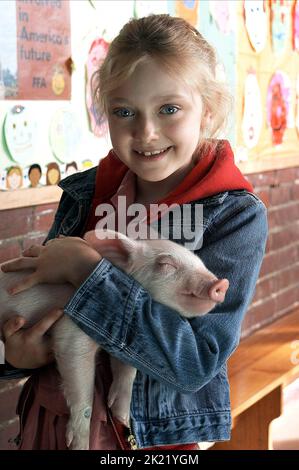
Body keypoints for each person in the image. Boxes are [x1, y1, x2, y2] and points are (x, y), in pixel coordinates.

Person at [0, 14, 268, 450]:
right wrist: (15, 357)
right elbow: (34, 305)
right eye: (124, 111)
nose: (145, 132)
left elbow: (195, 362)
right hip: (52, 421)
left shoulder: (233, 215)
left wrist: (88, 272)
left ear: (209, 108)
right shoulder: (87, 194)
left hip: (150, 440)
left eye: (169, 109)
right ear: (105, 110)